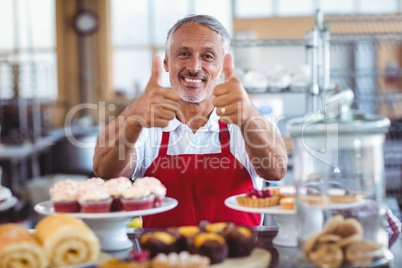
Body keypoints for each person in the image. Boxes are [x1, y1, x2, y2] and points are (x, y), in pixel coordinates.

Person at [93, 14, 288, 227]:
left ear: (222, 67)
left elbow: (276, 171)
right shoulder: (147, 123)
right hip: (163, 256)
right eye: (184, 54)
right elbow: (105, 171)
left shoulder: (242, 118)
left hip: (240, 256)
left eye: (208, 56)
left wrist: (249, 115)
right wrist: (133, 118)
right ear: (167, 62)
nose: (194, 67)